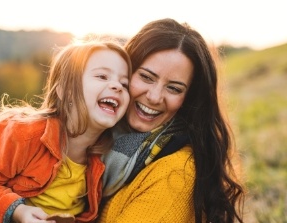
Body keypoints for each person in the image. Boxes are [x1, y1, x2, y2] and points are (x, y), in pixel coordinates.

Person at [0, 38, 131, 223]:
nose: (117, 86)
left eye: (125, 84)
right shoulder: (25, 133)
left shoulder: (107, 155)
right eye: (102, 76)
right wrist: (18, 211)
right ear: (65, 90)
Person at [98, 18, 245, 223]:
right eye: (147, 77)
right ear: (124, 72)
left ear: (189, 99)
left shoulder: (175, 173)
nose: (155, 97)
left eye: (174, 88)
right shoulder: (95, 138)